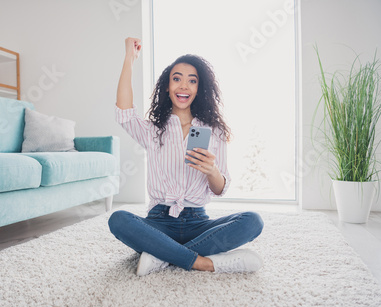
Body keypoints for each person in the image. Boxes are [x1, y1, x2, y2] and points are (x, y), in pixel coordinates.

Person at [108, 37, 264, 276]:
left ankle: (162, 256)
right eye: (177, 79)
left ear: (199, 89)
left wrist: (212, 171)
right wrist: (129, 58)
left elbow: (220, 189)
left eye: (192, 81)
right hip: (159, 220)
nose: (184, 86)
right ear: (167, 87)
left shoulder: (215, 131)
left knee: (253, 221)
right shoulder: (153, 130)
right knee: (118, 219)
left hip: (198, 222)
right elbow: (124, 113)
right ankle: (203, 262)